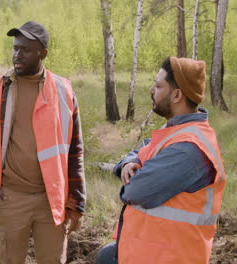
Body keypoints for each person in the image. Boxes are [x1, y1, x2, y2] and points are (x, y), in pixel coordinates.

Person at [0, 21, 86, 264]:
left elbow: (75, 149)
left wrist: (77, 200)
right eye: (15, 48)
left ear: (43, 53)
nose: (17, 55)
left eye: (25, 50)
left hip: (51, 199)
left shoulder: (63, 90)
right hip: (10, 197)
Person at [96, 57, 227, 264]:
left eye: (158, 86)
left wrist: (132, 169)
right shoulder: (176, 131)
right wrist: (127, 163)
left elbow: (134, 192)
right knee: (106, 256)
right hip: (149, 249)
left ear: (176, 95)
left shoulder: (187, 149)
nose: (151, 90)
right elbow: (141, 149)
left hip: (170, 256)